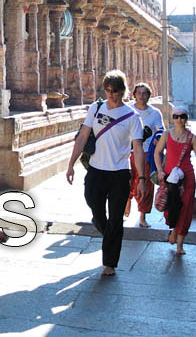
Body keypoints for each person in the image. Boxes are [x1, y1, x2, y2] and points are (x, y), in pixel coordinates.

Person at [65, 70, 146, 276]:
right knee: (95, 206)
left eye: (115, 90)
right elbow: (83, 136)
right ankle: (106, 230)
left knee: (116, 219)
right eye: (108, 90)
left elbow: (137, 149)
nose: (111, 94)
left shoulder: (132, 117)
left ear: (122, 91)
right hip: (96, 170)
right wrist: (71, 163)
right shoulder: (97, 108)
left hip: (119, 173)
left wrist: (142, 178)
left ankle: (109, 263)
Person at [153, 105, 196, 255]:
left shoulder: (192, 138)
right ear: (172, 118)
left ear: (186, 118)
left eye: (182, 116)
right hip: (169, 178)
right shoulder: (166, 134)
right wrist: (159, 170)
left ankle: (180, 244)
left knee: (185, 210)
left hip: (187, 178)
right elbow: (157, 152)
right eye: (176, 116)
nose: (179, 119)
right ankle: (174, 229)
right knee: (169, 208)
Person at [127, 82, 164, 228]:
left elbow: (161, 130)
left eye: (144, 93)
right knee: (128, 180)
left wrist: (157, 138)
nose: (141, 96)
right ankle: (126, 202)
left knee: (146, 184)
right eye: (139, 93)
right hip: (129, 151)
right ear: (134, 95)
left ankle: (142, 216)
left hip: (147, 152)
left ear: (149, 95)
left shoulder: (155, 113)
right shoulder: (128, 110)